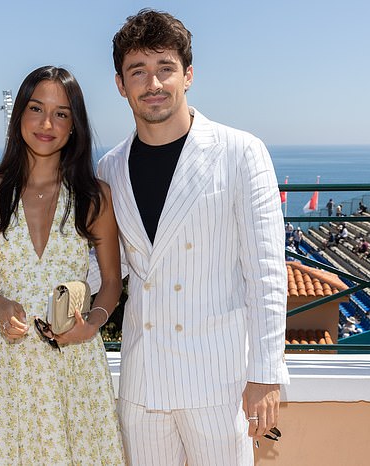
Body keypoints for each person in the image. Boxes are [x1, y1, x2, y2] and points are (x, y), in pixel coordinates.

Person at [94, 9, 288, 465]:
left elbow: (265, 272)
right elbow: (106, 268)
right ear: (121, 85)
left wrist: (265, 374)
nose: (153, 83)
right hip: (143, 382)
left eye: (165, 68)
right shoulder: (109, 168)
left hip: (219, 382)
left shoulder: (241, 151)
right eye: (138, 72)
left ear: (188, 75)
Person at [0, 66, 124, 465]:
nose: (47, 123)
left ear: (74, 126)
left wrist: (94, 322)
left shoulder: (94, 196)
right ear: (19, 115)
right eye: (36, 109)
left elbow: (110, 282)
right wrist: (0, 306)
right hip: (12, 362)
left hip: (75, 358)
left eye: (61, 113)